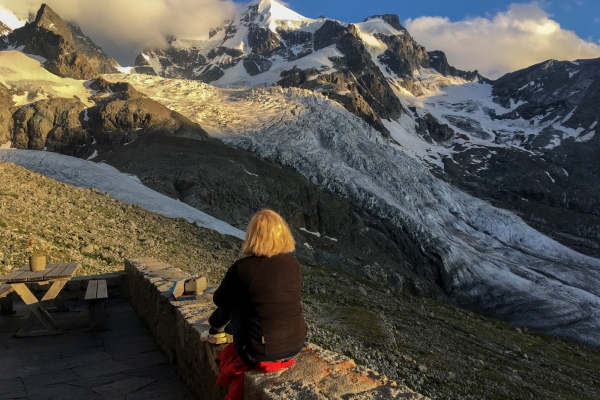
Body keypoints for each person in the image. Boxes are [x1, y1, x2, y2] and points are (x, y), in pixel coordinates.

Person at [202, 209, 307, 369]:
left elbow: (220, 300)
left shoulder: (243, 268)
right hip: (296, 345)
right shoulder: (294, 264)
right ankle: (219, 329)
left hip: (257, 351)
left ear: (252, 236)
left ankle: (216, 330)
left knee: (235, 296)